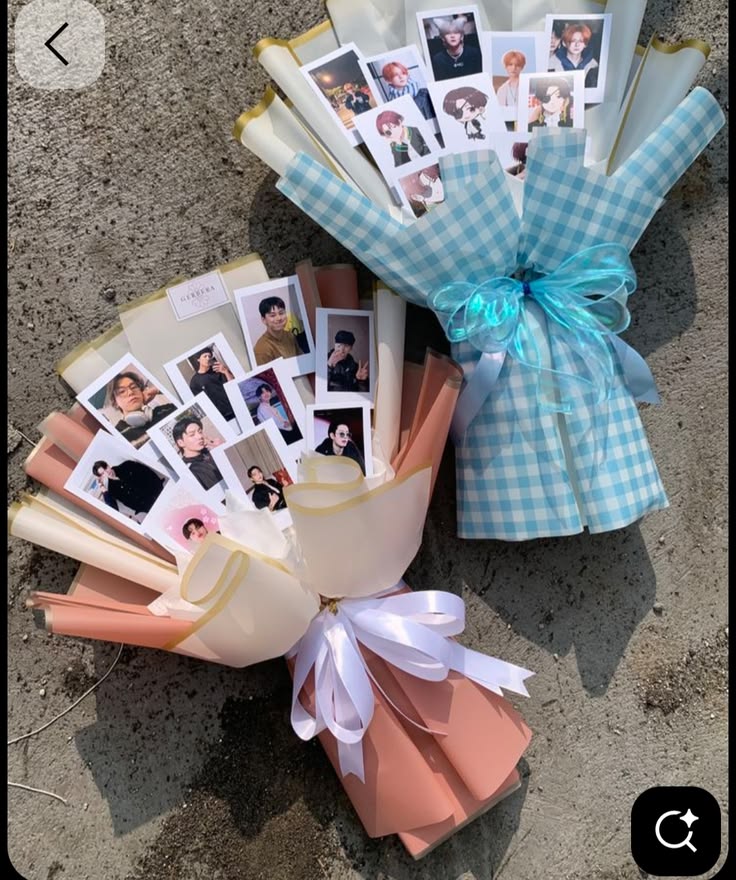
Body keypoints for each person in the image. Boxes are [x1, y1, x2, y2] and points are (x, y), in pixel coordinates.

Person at [104, 371, 178, 447]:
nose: (130, 392)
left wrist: (157, 390)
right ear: (115, 402)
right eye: (122, 391)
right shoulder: (117, 435)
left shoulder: (165, 410)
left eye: (133, 387)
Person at [91, 459, 166, 516]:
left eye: (106, 468)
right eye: (103, 473)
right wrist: (103, 488)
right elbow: (118, 508)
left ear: (108, 465)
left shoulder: (127, 465)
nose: (107, 472)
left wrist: (160, 488)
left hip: (160, 492)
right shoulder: (112, 490)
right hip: (149, 508)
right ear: (102, 477)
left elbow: (149, 474)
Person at [172, 415, 224, 491]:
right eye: (192, 435)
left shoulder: (209, 450)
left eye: (200, 432)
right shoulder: (190, 470)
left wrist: (222, 450)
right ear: (181, 442)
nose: (200, 436)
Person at [253, 295, 306, 366]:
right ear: (264, 320)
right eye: (272, 315)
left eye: (281, 313)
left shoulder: (290, 335)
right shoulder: (261, 348)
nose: (278, 318)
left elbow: (302, 359)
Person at [188, 346, 235, 421]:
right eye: (205, 356)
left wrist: (226, 372)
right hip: (220, 416)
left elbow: (233, 386)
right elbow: (201, 403)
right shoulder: (194, 382)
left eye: (209, 356)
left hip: (234, 407)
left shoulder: (218, 371)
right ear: (198, 359)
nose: (208, 358)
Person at [548, 22, 599, 88]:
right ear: (564, 43)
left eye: (581, 41)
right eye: (573, 41)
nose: (577, 45)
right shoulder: (552, 63)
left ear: (585, 44)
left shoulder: (592, 64)